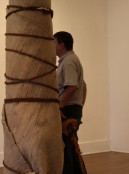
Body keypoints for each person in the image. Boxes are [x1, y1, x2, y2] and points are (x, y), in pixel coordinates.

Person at [53, 31, 87, 174]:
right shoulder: (70, 60)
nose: (51, 46)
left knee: (65, 150)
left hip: (67, 111)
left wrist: (60, 106)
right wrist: (79, 106)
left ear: (61, 44)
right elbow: (83, 86)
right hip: (70, 109)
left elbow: (72, 87)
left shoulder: (68, 61)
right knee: (70, 149)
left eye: (53, 42)